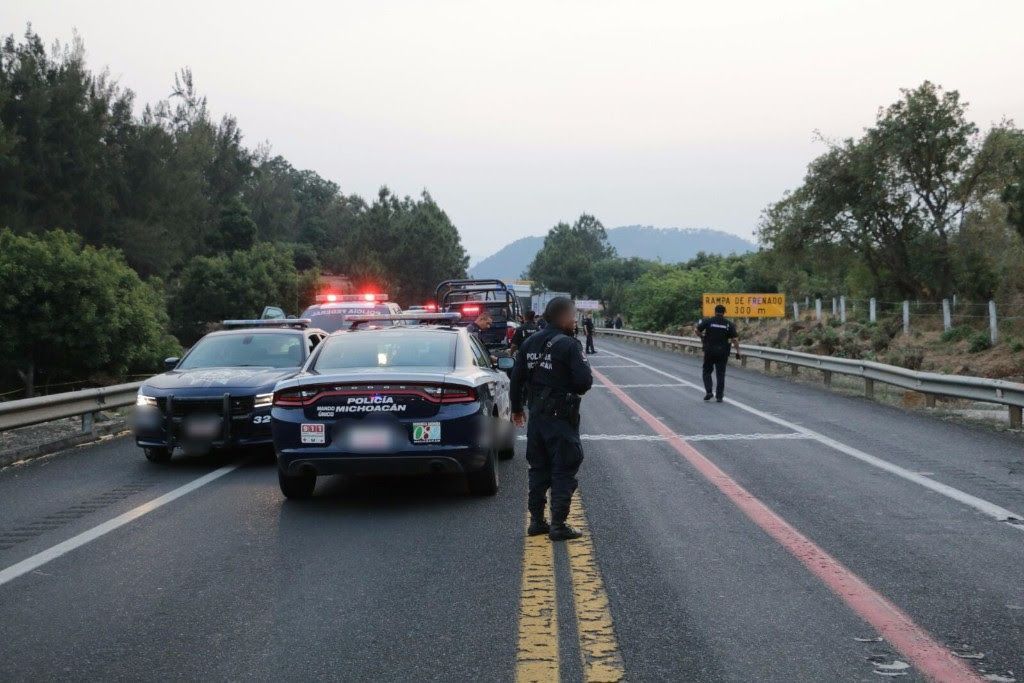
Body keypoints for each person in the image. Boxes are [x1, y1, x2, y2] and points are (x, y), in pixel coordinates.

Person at [511, 296, 593, 541]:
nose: (575, 320)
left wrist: (517, 409)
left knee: (538, 469)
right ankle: (558, 525)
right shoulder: (569, 345)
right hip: (561, 419)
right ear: (564, 317)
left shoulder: (529, 342)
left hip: (537, 417)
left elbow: (516, 378)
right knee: (563, 468)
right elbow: (583, 383)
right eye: (573, 315)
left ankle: (537, 522)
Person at [695, 304, 741, 402]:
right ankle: (719, 396)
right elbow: (735, 339)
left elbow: (697, 330)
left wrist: (702, 337)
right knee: (720, 374)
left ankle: (709, 392)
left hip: (709, 351)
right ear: (724, 312)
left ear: (715, 311)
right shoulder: (728, 324)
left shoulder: (708, 321)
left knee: (707, 371)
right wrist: (738, 352)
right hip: (723, 352)